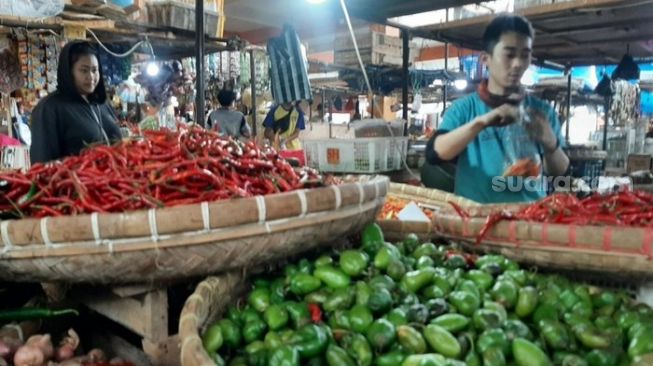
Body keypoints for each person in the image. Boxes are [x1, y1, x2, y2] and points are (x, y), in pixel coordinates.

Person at [426, 15, 569, 204]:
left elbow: (560, 172)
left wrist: (551, 143)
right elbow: (435, 153)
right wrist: (483, 121)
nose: (518, 63)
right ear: (486, 58)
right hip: (476, 222)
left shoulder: (542, 112)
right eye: (509, 55)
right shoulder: (464, 109)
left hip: (530, 221)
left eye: (524, 55)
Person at [30, 41, 121, 163]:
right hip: (76, 180)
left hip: (114, 180)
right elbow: (41, 162)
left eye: (95, 70)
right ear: (69, 72)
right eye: (84, 70)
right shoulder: (49, 108)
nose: (91, 76)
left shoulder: (101, 103)